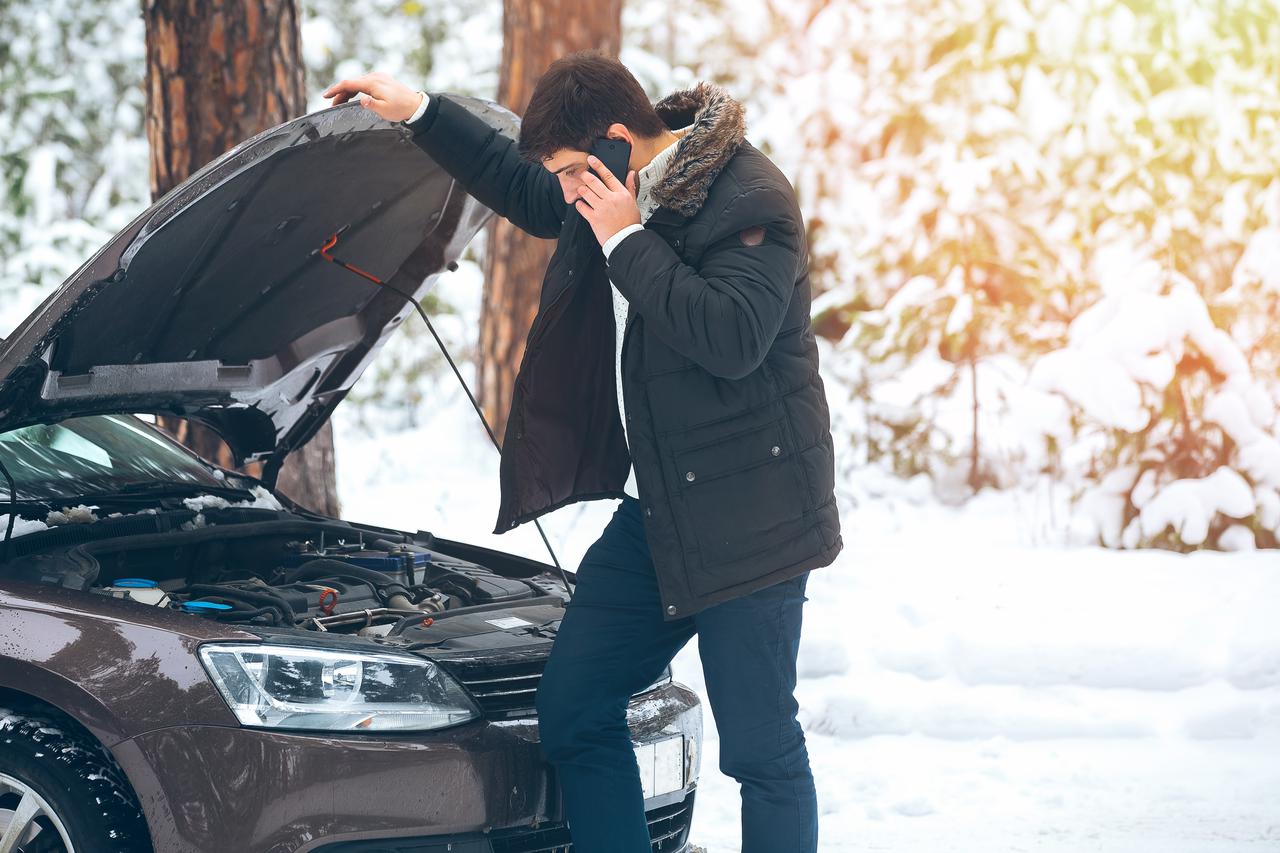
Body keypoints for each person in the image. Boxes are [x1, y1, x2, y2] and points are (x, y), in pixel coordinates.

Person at [323, 50, 841, 853]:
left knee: (761, 750)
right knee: (574, 705)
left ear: (612, 142)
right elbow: (527, 188)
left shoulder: (751, 197)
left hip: (756, 521)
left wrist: (625, 238)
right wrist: (422, 110)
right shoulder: (602, 188)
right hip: (661, 513)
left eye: (572, 170)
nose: (566, 192)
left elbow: (732, 337)